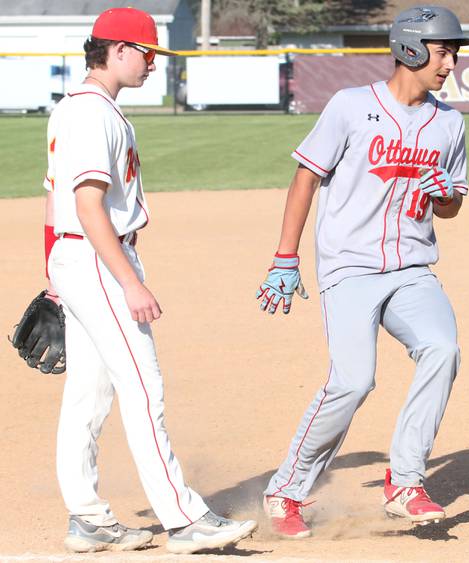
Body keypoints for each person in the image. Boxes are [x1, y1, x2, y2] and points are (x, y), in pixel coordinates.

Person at [44, 7, 257, 554]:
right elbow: (87, 205)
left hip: (79, 260)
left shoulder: (76, 109)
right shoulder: (94, 115)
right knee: (143, 385)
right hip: (100, 260)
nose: (151, 65)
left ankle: (87, 517)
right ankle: (185, 519)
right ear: (116, 50)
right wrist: (129, 283)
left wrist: (54, 276)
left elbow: (54, 202)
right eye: (146, 53)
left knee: (87, 396)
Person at [255, 5, 469, 538]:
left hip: (412, 267)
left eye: (454, 52)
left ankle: (405, 481)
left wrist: (445, 196)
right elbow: (306, 178)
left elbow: (452, 207)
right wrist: (286, 255)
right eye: (444, 50)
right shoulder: (350, 107)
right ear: (412, 49)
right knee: (353, 382)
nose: (451, 63)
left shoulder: (450, 122)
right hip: (349, 268)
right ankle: (287, 490)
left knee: (442, 349)